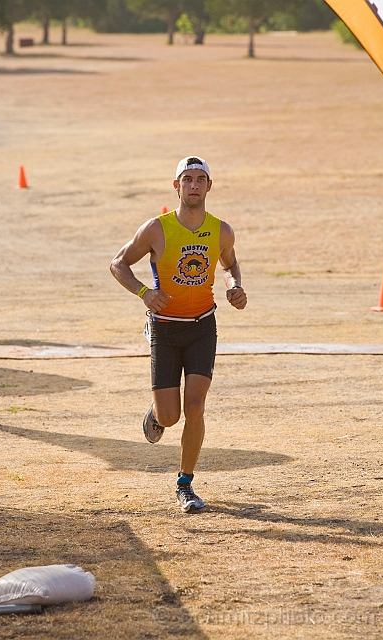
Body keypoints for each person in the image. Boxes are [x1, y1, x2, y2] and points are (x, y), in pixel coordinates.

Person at [110, 156, 247, 513]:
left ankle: (185, 483)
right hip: (166, 329)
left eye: (201, 179)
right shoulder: (157, 228)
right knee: (170, 416)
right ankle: (156, 414)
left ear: (209, 187)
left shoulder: (221, 230)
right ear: (177, 187)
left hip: (203, 325)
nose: (194, 185)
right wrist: (144, 293)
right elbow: (118, 264)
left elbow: (230, 263)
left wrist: (235, 286)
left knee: (196, 406)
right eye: (187, 179)